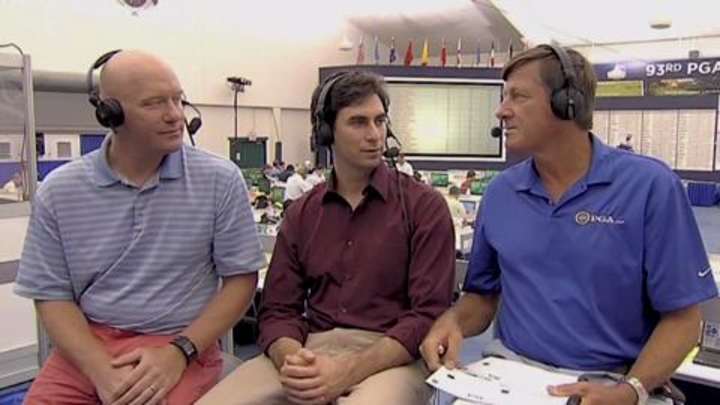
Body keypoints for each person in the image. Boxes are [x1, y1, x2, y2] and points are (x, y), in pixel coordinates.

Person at [421, 45, 717, 405]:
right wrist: (453, 321)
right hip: (510, 377)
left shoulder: (650, 187)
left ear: (568, 103)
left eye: (518, 96)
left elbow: (684, 321)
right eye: (503, 97)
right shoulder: (501, 193)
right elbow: (482, 297)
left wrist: (629, 392)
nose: (501, 111)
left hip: (615, 383)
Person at [14, 50, 266, 404]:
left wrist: (180, 351)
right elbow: (51, 294)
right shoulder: (59, 191)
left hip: (179, 343)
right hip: (88, 345)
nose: (175, 115)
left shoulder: (219, 180)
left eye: (178, 99)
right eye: (154, 103)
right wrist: (100, 369)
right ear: (110, 114)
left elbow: (241, 280)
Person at [200, 71, 456, 405]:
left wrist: (346, 371)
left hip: (393, 354)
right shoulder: (303, 213)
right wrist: (295, 362)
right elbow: (277, 310)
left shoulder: (424, 207)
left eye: (380, 121)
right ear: (325, 132)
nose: (375, 135)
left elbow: (427, 315)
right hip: (311, 346)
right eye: (358, 122)